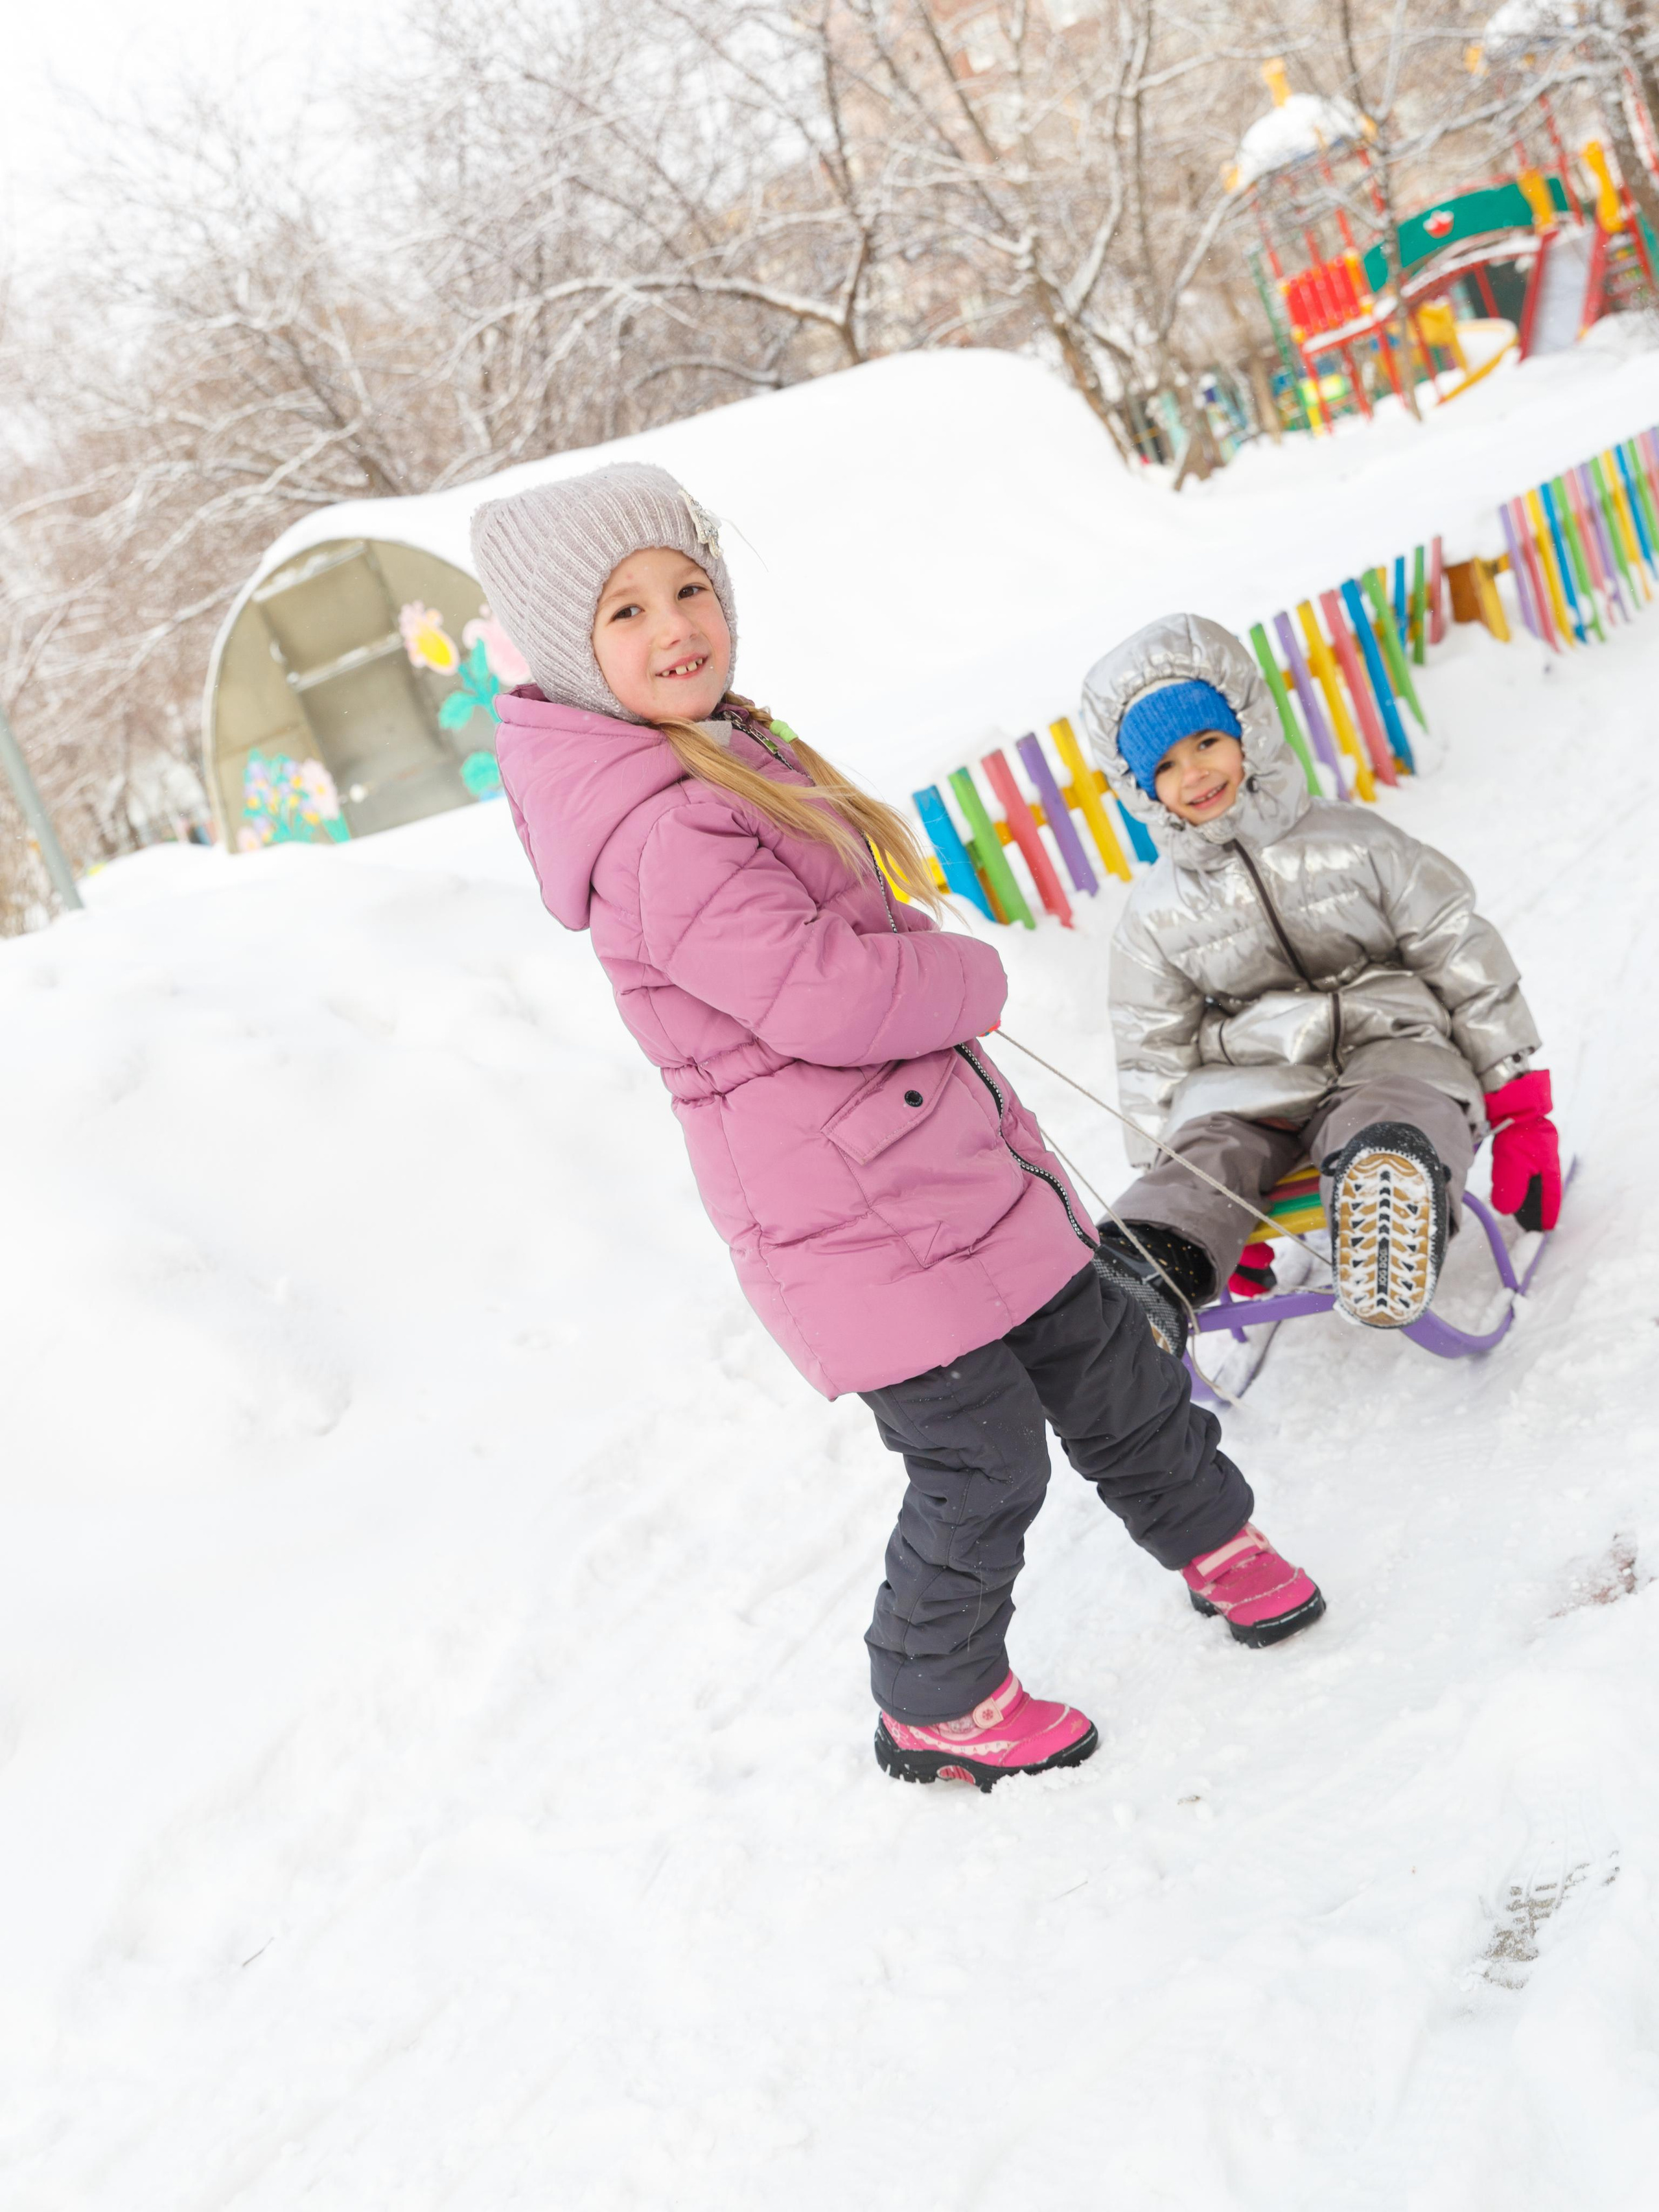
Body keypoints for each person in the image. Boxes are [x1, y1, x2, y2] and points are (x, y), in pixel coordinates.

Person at [469, 466, 1325, 1794]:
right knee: (977, 1462)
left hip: (941, 1167)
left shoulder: (723, 749)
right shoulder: (652, 828)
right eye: (623, 612)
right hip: (851, 1225)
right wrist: (964, 976)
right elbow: (821, 991)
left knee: (1116, 1373)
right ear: (569, 654)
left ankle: (1217, 1540)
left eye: (688, 587)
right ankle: (938, 1693)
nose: (674, 626)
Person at [1081, 611, 1562, 1345]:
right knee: (1206, 1153)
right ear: (1143, 789)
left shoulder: (1355, 841)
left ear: (1249, 733)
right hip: (1247, 1086)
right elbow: (1151, 1050)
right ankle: (1157, 1262)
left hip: (1390, 1048)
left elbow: (1455, 945)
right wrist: (1186, 1185)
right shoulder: (1154, 913)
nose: (1196, 773)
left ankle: (1389, 1203)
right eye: (1168, 764)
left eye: (1207, 741)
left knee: (1397, 1108)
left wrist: (1519, 1098)